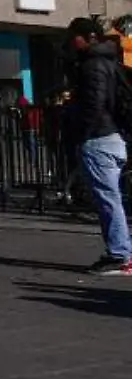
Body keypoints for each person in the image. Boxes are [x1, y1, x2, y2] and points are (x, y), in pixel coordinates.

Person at [63, 17, 130, 275]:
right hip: (111, 136)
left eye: (74, 37)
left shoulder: (93, 65)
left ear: (85, 37)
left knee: (108, 200)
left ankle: (119, 254)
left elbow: (94, 103)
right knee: (111, 199)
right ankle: (121, 251)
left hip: (99, 138)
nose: (71, 42)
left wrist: (82, 133)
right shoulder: (109, 60)